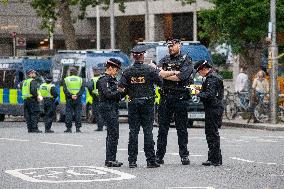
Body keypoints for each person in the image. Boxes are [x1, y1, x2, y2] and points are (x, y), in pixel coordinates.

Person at [119, 45, 162, 168]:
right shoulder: (150, 70)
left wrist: (129, 91)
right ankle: (150, 160)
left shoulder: (127, 71)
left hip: (133, 103)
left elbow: (121, 88)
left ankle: (132, 161)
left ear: (133, 56)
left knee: (133, 132)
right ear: (143, 56)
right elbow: (160, 83)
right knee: (148, 131)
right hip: (147, 103)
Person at [156, 38, 194, 165]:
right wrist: (172, 73)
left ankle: (184, 155)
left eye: (173, 46)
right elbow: (157, 73)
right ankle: (159, 156)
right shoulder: (164, 59)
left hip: (180, 98)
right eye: (169, 46)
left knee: (182, 128)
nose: (170, 48)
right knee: (162, 128)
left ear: (179, 45)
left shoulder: (186, 59)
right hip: (166, 98)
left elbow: (182, 77)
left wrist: (165, 74)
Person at [194, 60, 223, 166]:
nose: (198, 74)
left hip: (213, 108)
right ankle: (215, 158)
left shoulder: (212, 78)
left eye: (199, 71)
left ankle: (215, 159)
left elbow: (210, 95)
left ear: (203, 69)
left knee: (212, 133)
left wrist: (198, 93)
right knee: (211, 133)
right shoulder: (214, 76)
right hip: (214, 108)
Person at [97, 58, 124, 167]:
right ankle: (110, 160)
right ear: (111, 68)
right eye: (116, 70)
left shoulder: (112, 80)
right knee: (113, 133)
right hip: (107, 108)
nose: (117, 72)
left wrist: (124, 92)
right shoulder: (104, 80)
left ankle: (111, 158)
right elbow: (107, 94)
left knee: (113, 134)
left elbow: (118, 95)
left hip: (113, 107)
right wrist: (119, 91)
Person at [63, 67, 84, 133]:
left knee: (69, 113)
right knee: (78, 113)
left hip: (69, 99)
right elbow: (82, 89)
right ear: (76, 72)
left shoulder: (66, 79)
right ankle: (78, 128)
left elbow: (65, 90)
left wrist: (71, 95)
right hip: (78, 99)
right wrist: (77, 95)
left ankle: (69, 128)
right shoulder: (80, 79)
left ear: (70, 73)